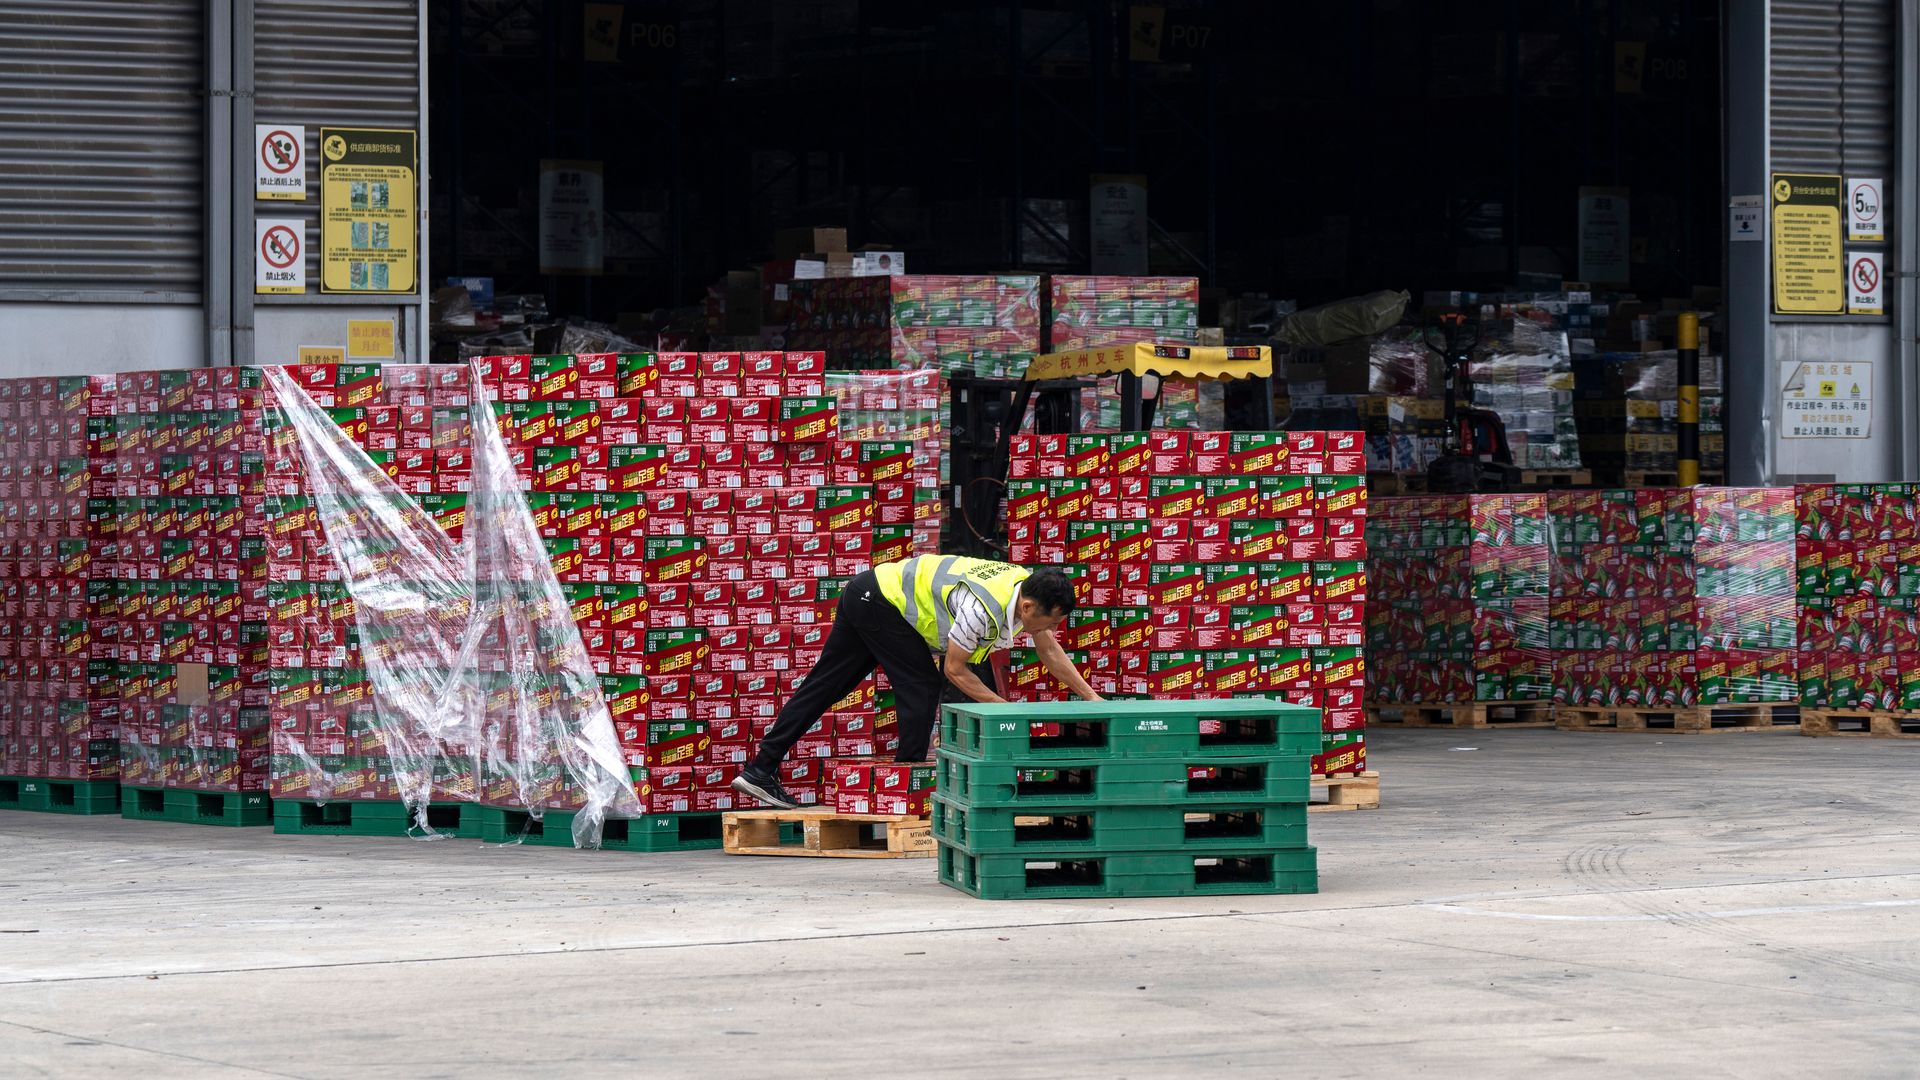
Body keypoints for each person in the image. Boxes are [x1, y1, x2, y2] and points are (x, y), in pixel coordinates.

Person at [731, 555, 1101, 809]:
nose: (1052, 630)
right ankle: (906, 789)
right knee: (922, 686)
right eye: (1051, 621)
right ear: (1028, 609)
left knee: (824, 687)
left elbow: (1050, 652)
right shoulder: (981, 608)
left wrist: (1093, 700)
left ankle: (760, 769)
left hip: (870, 593)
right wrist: (1005, 710)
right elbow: (954, 671)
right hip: (880, 600)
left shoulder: (1025, 588)